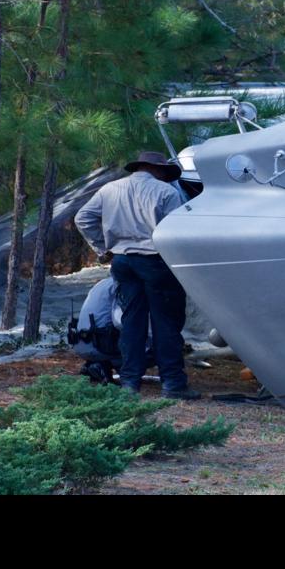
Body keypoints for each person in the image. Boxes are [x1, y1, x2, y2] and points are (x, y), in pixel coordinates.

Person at [74, 151, 200, 399]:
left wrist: (102, 249)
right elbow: (176, 231)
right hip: (156, 261)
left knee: (132, 322)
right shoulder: (166, 192)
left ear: (139, 167)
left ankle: (130, 383)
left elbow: (83, 217)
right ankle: (173, 384)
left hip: (122, 262)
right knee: (166, 324)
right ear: (159, 170)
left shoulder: (109, 189)